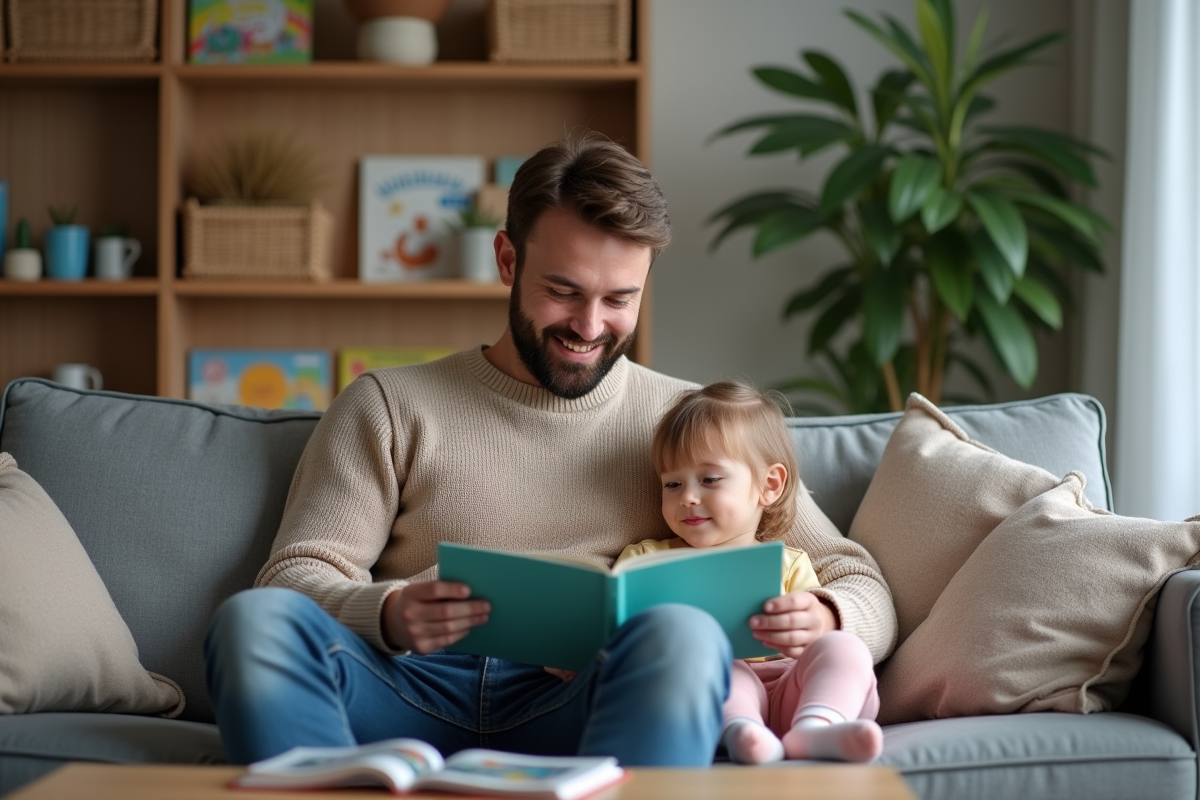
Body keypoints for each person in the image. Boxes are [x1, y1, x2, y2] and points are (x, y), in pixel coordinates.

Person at [202, 131, 896, 768]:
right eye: (563, 292)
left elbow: (859, 580)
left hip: (581, 702)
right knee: (251, 622)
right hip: (403, 690)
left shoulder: (693, 423)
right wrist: (386, 612)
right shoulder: (388, 404)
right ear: (508, 259)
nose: (590, 327)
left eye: (619, 299)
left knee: (682, 637)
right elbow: (292, 576)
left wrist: (828, 616)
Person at [616, 381, 883, 764]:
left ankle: (817, 727)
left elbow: (813, 648)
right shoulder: (645, 558)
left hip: (794, 690)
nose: (688, 497)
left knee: (846, 647)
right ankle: (743, 732)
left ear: (769, 485)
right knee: (722, 666)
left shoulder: (790, 563)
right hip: (720, 694)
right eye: (672, 484)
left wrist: (812, 623)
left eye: (709, 479)